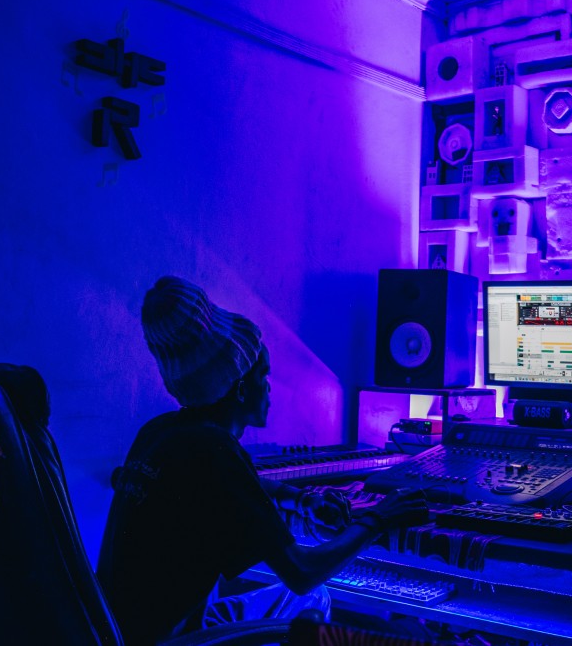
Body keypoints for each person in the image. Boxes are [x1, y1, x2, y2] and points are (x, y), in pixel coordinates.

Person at [97, 275, 429, 645]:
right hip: (170, 642)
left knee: (313, 599)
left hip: (118, 632)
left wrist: (300, 497)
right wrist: (379, 518)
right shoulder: (215, 451)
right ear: (239, 387)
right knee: (310, 596)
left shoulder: (161, 431)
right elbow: (302, 571)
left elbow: (236, 484)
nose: (269, 387)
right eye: (264, 374)